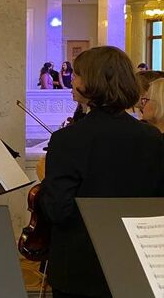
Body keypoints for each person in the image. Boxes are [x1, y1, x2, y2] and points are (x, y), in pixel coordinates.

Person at [39, 46, 164, 298]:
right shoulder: (153, 137)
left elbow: (58, 210)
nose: (72, 81)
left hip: (81, 267)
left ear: (91, 82)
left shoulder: (67, 139)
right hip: (136, 261)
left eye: (77, 75)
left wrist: (45, 185)